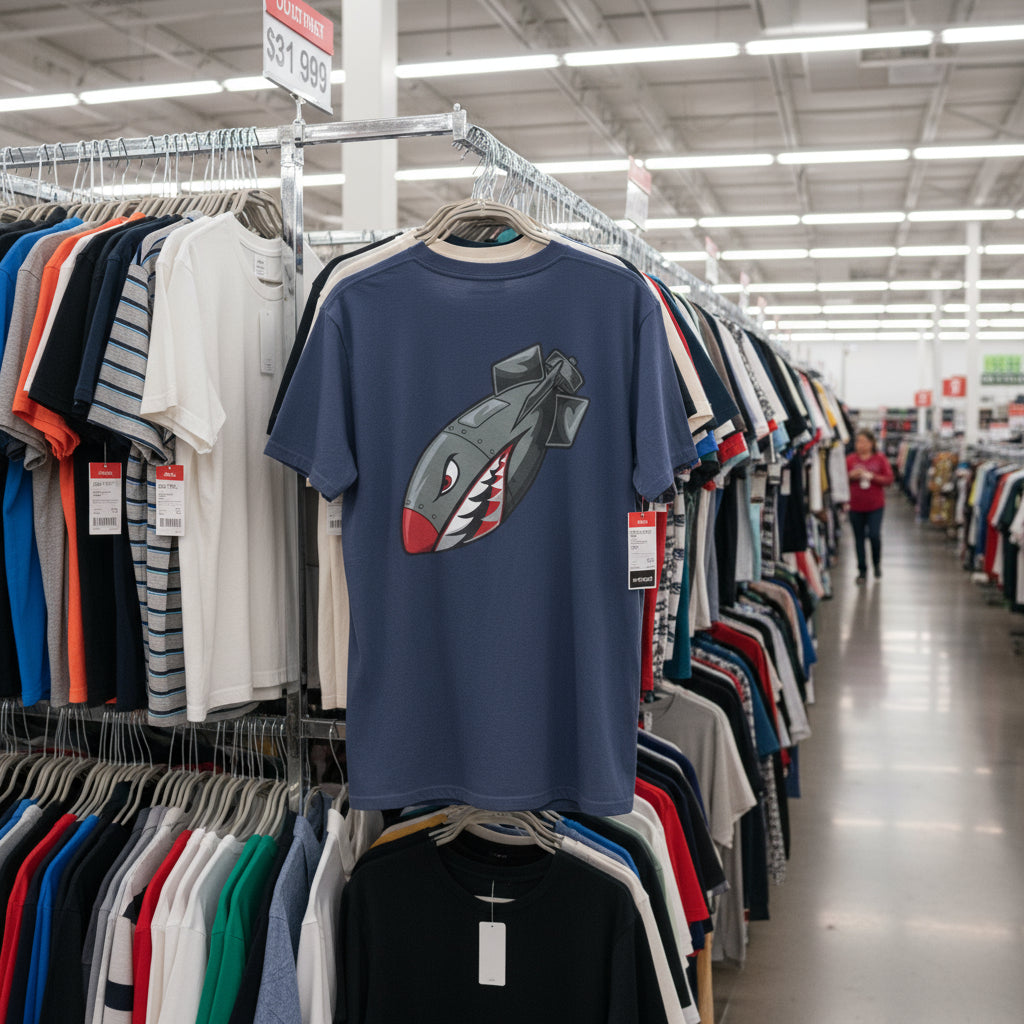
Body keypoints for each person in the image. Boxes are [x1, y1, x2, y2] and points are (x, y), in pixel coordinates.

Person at [845, 428, 894, 583]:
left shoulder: (880, 459)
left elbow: (889, 479)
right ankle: (862, 570)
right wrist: (851, 476)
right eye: (859, 442)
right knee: (858, 538)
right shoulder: (850, 460)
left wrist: (873, 477)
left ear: (872, 443)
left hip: (875, 505)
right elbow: (841, 479)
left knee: (874, 535)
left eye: (865, 442)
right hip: (855, 505)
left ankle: (876, 563)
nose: (861, 445)